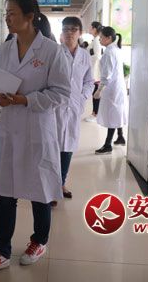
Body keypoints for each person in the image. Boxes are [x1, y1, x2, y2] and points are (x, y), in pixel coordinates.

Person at [0, 0, 71, 275]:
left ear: (30, 17)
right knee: (7, 190)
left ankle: (39, 241)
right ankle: (1, 250)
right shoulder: (6, 48)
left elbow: (61, 93)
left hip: (38, 127)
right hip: (11, 127)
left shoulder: (51, 51)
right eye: (6, 14)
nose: (7, 18)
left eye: (12, 13)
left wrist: (26, 100)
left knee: (40, 188)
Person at [54, 17, 93, 204]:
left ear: (80, 32)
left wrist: (83, 96)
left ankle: (61, 183)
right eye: (66, 29)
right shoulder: (55, 53)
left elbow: (89, 81)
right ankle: (51, 186)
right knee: (53, 146)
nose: (69, 32)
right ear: (62, 32)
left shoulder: (85, 56)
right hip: (55, 106)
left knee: (68, 146)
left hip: (74, 106)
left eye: (73, 29)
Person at [94, 26, 128, 154]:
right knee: (117, 112)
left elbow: (106, 74)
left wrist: (99, 90)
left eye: (101, 37)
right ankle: (120, 137)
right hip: (117, 86)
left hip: (112, 88)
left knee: (113, 115)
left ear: (108, 38)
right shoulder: (116, 49)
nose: (100, 40)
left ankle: (108, 145)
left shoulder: (109, 52)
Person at [84, 21, 103, 122]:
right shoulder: (95, 40)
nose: (89, 29)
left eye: (91, 27)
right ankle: (94, 113)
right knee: (95, 92)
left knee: (96, 93)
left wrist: (87, 58)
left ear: (95, 29)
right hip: (94, 69)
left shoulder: (96, 41)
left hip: (95, 70)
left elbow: (97, 56)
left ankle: (95, 114)